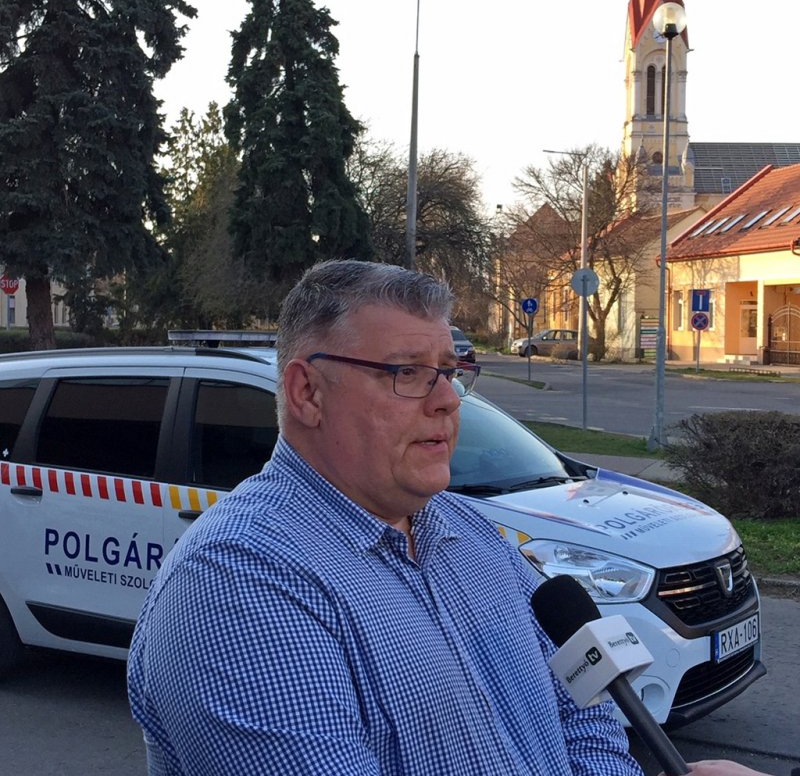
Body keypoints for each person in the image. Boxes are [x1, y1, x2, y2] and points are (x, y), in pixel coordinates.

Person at [127, 260, 644, 775]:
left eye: (450, 372)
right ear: (307, 392)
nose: (447, 401)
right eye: (407, 373)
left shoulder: (472, 533)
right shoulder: (236, 579)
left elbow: (585, 712)